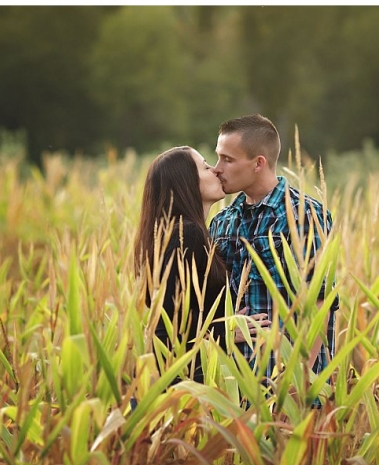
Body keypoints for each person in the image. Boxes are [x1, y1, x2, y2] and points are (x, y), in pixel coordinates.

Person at [209, 114, 339, 384]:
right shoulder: (222, 222)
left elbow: (318, 302)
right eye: (217, 157)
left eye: (227, 159)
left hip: (287, 386)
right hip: (235, 387)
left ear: (258, 163)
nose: (216, 168)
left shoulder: (303, 215)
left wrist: (296, 383)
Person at [134, 146, 270, 384]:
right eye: (206, 166)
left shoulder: (185, 232)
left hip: (175, 378)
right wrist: (225, 333)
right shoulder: (187, 233)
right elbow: (168, 322)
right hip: (180, 385)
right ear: (186, 182)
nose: (216, 170)